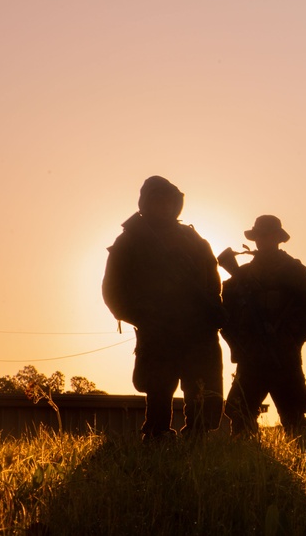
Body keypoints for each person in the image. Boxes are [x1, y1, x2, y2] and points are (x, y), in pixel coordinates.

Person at [102, 176, 224, 440]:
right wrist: (145, 317)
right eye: (158, 201)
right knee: (158, 386)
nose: (165, 206)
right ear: (146, 204)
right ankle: (157, 432)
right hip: (158, 327)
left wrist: (211, 310)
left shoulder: (193, 238)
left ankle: (197, 433)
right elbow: (113, 290)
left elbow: (212, 279)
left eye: (170, 201)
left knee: (200, 385)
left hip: (197, 327)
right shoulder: (130, 240)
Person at [218, 215, 306, 437]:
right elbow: (223, 315)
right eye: (260, 236)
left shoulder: (294, 271)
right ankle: (245, 460)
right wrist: (239, 342)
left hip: (283, 356)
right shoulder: (242, 275)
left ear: (278, 238)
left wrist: (291, 337)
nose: (263, 240)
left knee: (293, 414)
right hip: (251, 356)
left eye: (268, 235)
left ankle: (305, 460)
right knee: (239, 412)